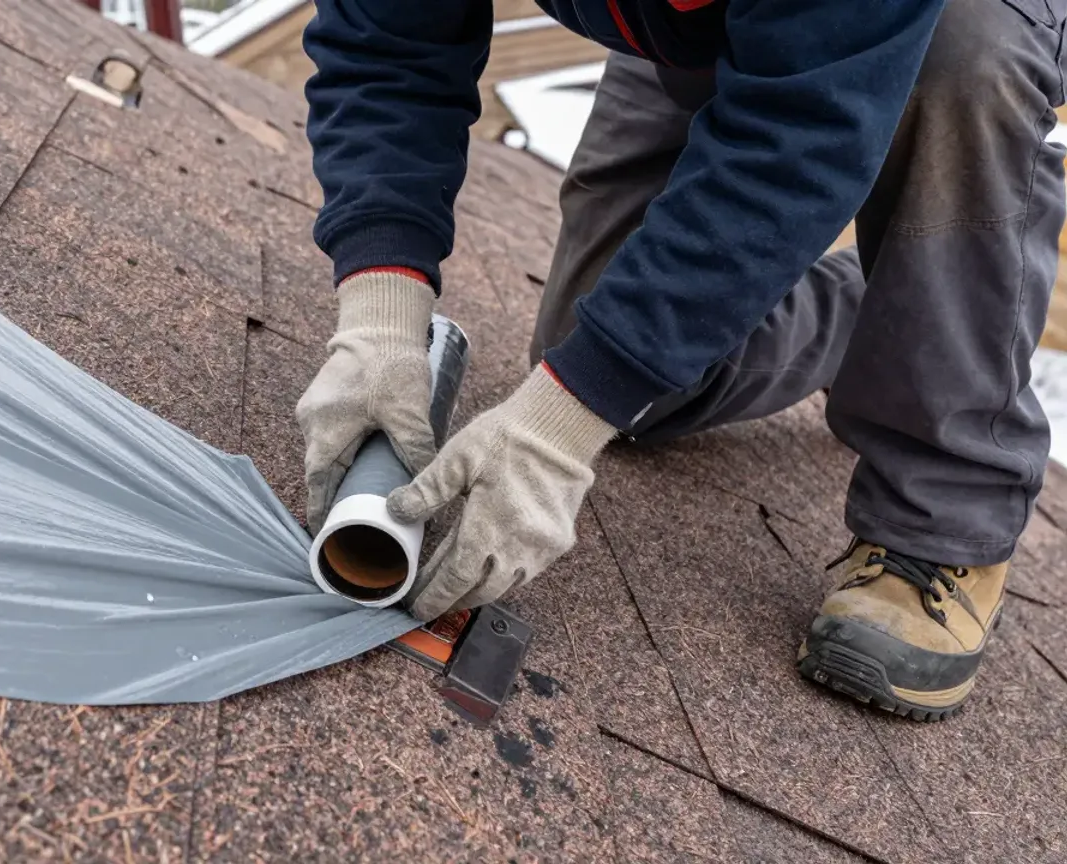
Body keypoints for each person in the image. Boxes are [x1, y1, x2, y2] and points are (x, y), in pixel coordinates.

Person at [294, 0, 1065, 720]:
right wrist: (382, 309)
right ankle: (886, 310)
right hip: (698, 26)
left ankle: (940, 522)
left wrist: (564, 420)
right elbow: (388, 36)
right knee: (617, 359)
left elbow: (800, 138)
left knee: (968, 47)